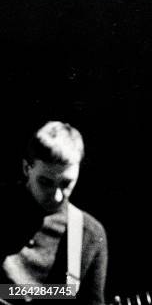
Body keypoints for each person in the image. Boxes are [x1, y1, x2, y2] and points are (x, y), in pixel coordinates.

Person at [0, 121, 108, 304]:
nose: (57, 196)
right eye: (45, 182)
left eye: (66, 184)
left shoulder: (88, 234)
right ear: (27, 168)